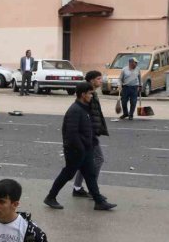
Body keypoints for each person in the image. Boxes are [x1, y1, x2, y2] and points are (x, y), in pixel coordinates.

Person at [43, 82, 116, 211]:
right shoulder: (75, 110)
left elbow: (86, 129)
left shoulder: (83, 107)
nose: (91, 96)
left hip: (85, 149)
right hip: (75, 150)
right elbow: (71, 133)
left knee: (90, 175)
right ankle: (50, 197)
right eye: (89, 94)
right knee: (67, 174)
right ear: (83, 94)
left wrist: (90, 142)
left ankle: (99, 202)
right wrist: (81, 149)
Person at [71, 71, 108, 199]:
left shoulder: (92, 93)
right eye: (98, 79)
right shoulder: (87, 94)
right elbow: (86, 115)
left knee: (84, 161)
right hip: (89, 134)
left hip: (90, 133)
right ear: (91, 80)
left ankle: (77, 187)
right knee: (98, 159)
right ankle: (93, 189)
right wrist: (90, 133)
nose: (100, 81)